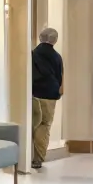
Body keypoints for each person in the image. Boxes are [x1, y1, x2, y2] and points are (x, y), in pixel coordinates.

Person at [31, 25, 63, 169]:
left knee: (33, 124)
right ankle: (38, 158)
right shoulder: (57, 57)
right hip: (50, 94)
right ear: (55, 40)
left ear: (40, 38)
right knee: (44, 125)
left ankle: (26, 155)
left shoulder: (32, 54)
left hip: (33, 93)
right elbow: (60, 77)